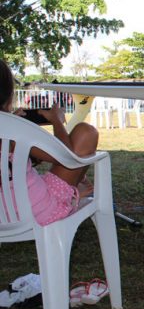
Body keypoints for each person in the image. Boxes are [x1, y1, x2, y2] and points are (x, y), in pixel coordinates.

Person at [0, 59, 99, 225]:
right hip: (38, 214)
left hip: (3, 216)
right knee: (86, 132)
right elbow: (67, 157)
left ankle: (75, 190)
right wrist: (57, 121)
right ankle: (72, 195)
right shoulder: (15, 131)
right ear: (7, 94)